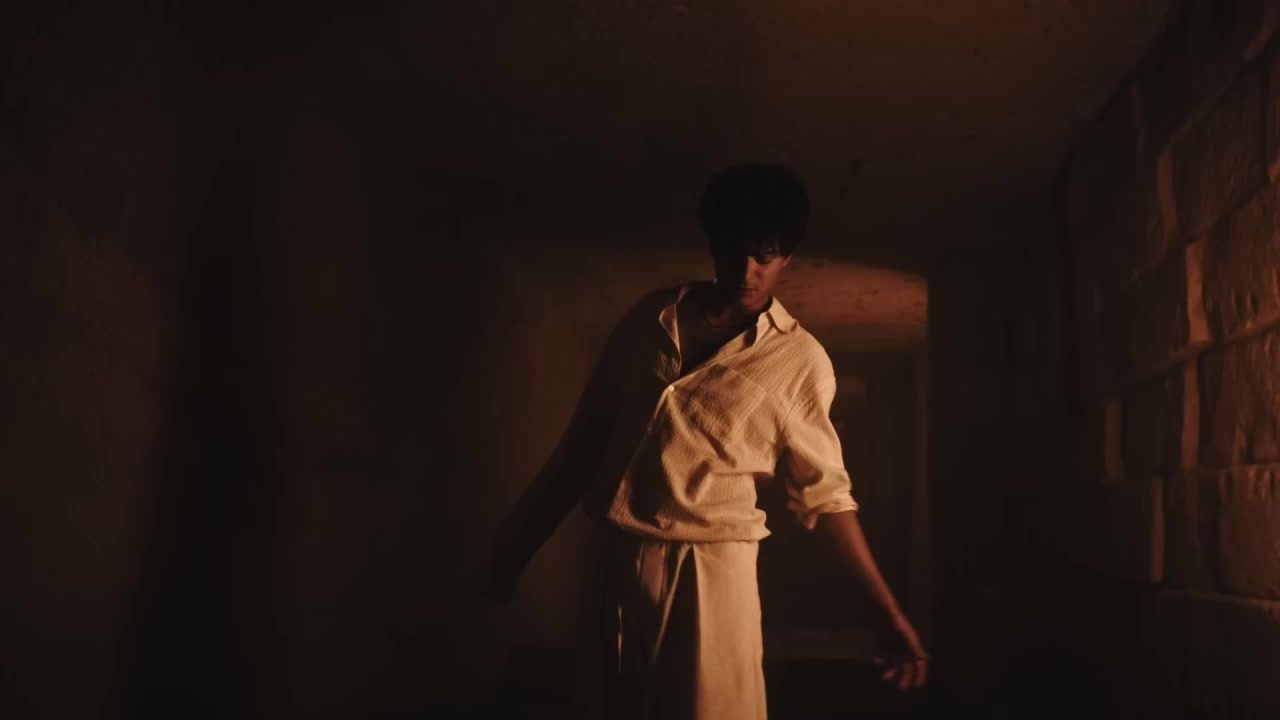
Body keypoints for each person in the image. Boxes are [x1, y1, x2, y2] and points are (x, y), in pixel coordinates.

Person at [489, 163, 928, 719]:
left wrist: (887, 613)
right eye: (734, 250)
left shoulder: (799, 361)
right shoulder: (650, 320)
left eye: (764, 256)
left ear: (786, 258)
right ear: (713, 243)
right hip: (615, 563)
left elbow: (825, 498)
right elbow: (583, 446)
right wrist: (512, 547)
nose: (747, 271)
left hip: (711, 573)